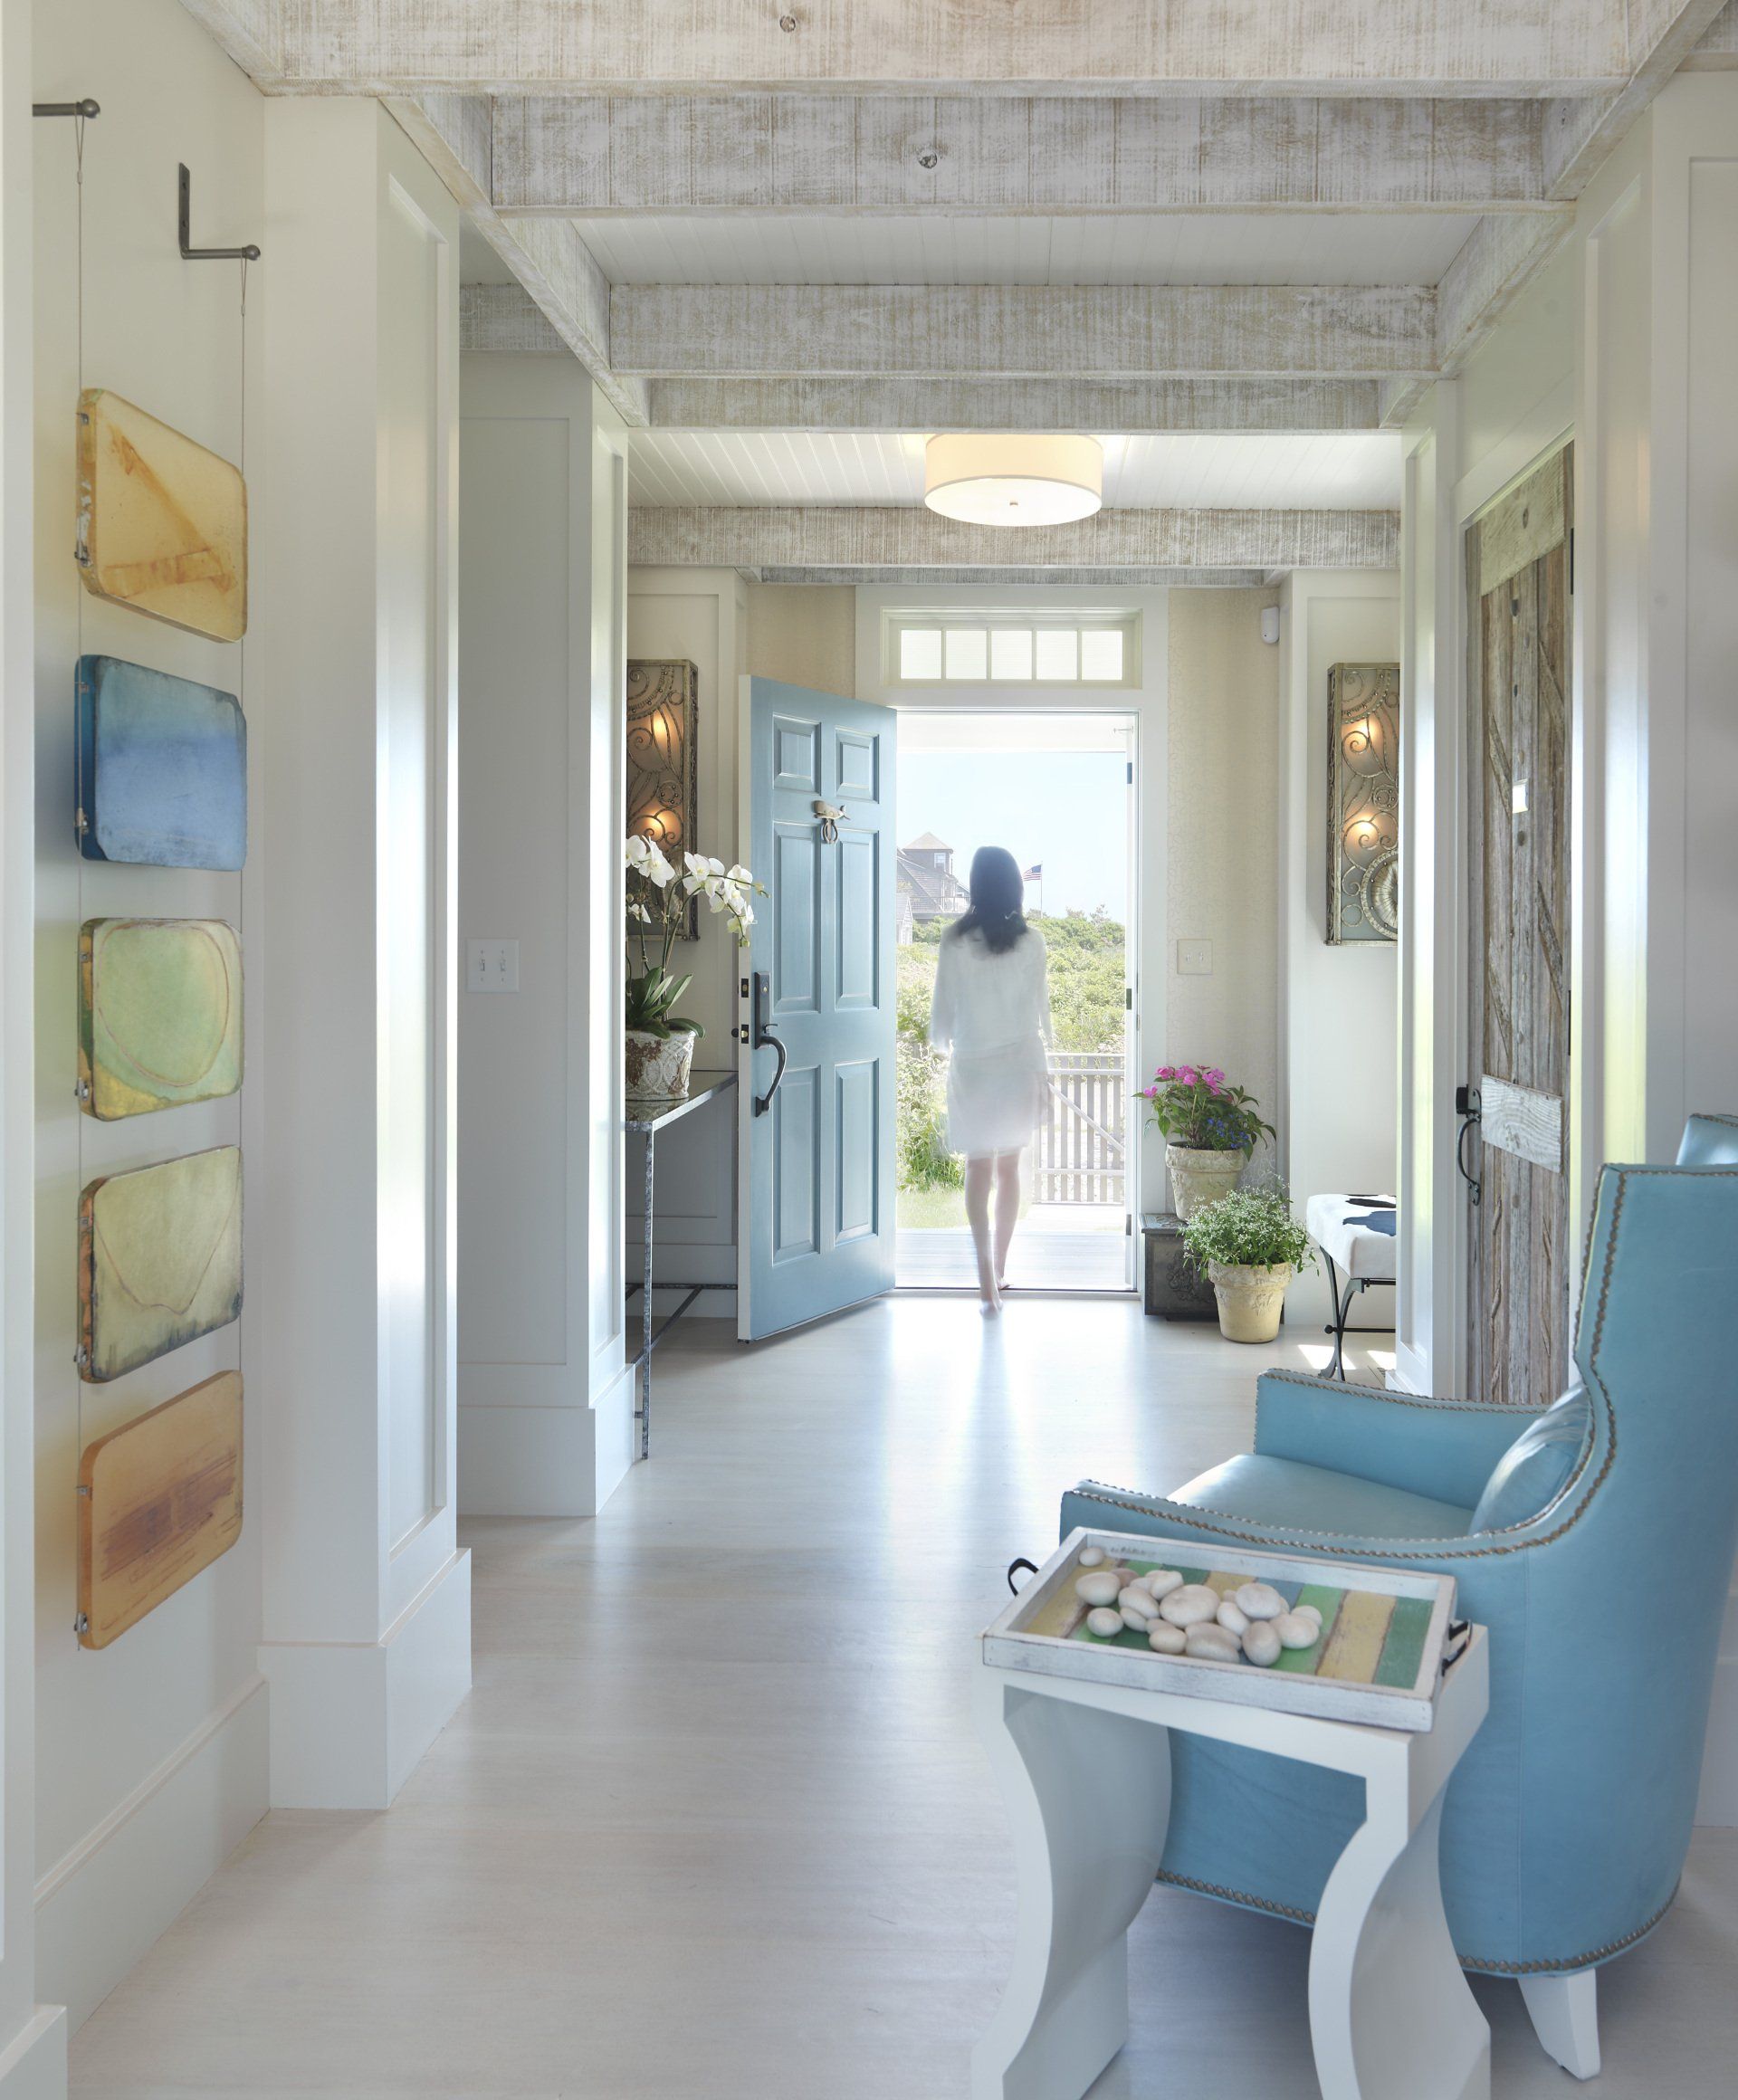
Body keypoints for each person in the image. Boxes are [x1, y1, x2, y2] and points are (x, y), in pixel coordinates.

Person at [928, 845, 1054, 1311]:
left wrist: (945, 1041)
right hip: (1020, 1062)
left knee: (978, 1167)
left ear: (975, 886)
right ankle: (1000, 1267)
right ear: (1016, 888)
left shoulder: (953, 939)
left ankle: (986, 1278)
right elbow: (1040, 1012)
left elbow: (944, 1008)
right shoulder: (1033, 940)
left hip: (974, 1066)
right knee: (1009, 1168)